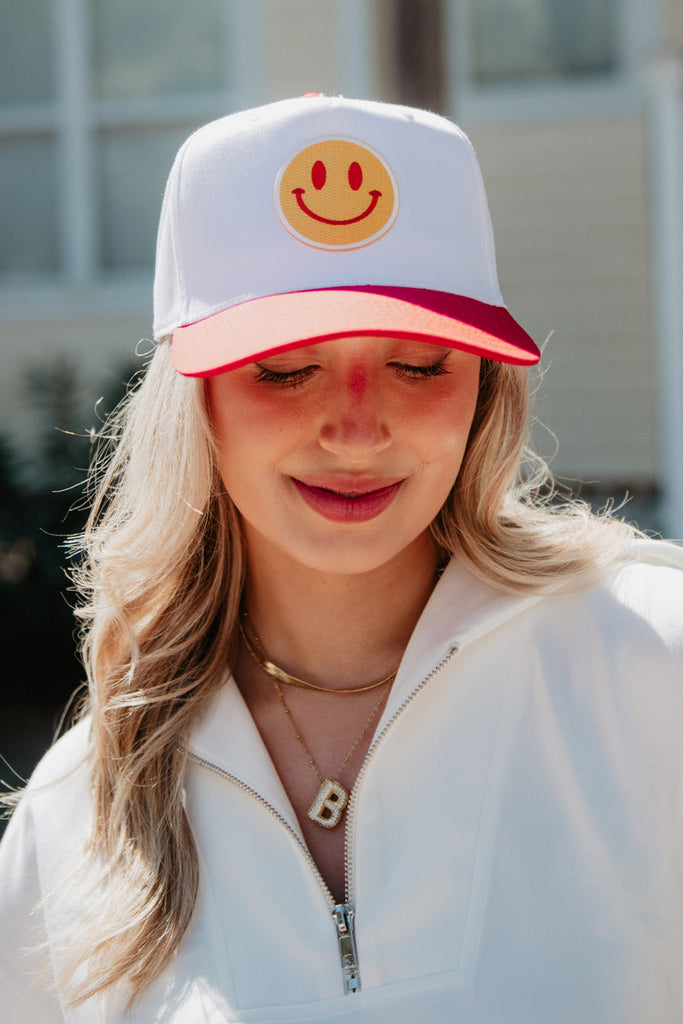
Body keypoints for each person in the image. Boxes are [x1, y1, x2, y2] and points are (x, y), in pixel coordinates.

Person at [0, 94, 682, 1024]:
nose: (357, 430)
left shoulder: (654, 660)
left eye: (418, 365)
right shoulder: (74, 811)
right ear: (191, 406)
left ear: (486, 392)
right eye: (284, 369)